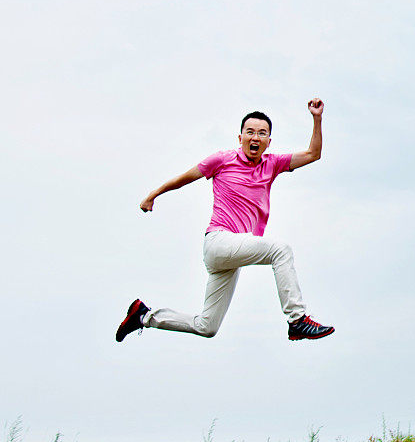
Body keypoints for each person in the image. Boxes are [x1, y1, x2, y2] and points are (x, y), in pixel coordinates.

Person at [115, 98, 334, 343]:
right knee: (280, 250)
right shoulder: (222, 159)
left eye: (262, 134)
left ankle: (144, 316)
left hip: (232, 255)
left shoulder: (272, 164)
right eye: (250, 132)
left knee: (207, 326)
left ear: (268, 141)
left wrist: (317, 118)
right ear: (239, 137)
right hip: (219, 241)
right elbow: (185, 178)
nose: (255, 137)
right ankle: (297, 320)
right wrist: (153, 195)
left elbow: (313, 154)